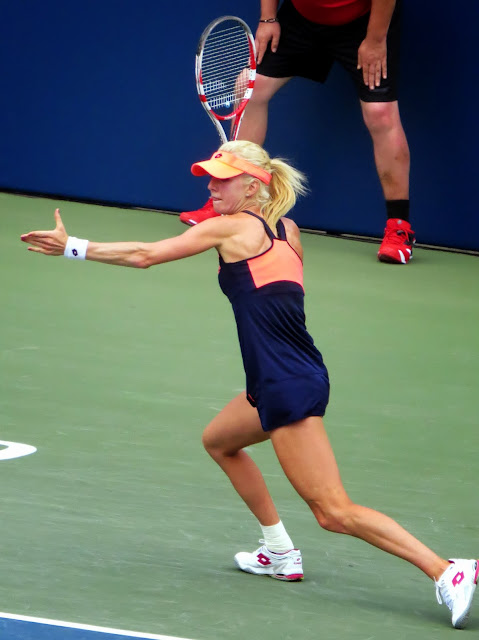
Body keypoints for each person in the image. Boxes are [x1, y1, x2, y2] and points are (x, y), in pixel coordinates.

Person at [21, 141, 476, 629]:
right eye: (210, 177)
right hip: (292, 373)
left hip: (283, 383)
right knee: (219, 441)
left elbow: (145, 254)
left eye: (222, 178)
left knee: (333, 511)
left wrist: (72, 247)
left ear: (254, 184)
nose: (211, 186)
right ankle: (278, 551)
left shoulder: (233, 227)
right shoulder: (288, 231)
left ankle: (446, 570)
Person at [180, 0, 415, 265]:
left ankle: (399, 227)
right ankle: (228, 202)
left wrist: (375, 39)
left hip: (363, 23)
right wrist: (268, 18)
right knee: (249, 87)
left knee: (380, 113)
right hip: (301, 20)